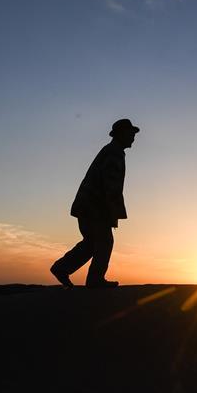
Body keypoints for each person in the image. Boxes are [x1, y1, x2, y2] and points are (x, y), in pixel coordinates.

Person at [50, 118, 139, 288]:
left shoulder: (112, 151)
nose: (133, 137)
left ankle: (62, 268)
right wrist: (112, 212)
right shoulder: (114, 153)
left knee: (92, 242)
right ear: (121, 134)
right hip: (95, 207)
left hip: (88, 205)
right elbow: (110, 185)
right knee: (104, 241)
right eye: (131, 133)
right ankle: (95, 280)